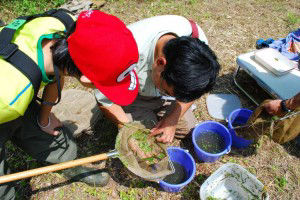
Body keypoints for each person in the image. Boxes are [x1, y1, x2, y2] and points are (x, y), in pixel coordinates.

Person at [0, 10, 139, 199]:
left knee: (61, 144)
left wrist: (43, 119)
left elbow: (55, 75)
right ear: (86, 78)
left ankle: (68, 166)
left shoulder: (68, 25)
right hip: (6, 98)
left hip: (12, 90)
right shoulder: (12, 96)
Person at [95, 15, 220, 143]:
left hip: (166, 98)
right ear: (160, 63)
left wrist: (174, 117)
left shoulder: (197, 42)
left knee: (189, 130)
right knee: (144, 140)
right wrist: (127, 129)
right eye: (166, 90)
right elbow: (104, 100)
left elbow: (194, 91)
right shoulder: (121, 53)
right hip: (134, 97)